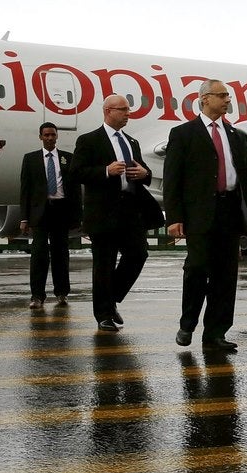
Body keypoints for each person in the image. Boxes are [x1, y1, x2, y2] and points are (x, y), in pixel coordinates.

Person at [164, 80, 247, 352]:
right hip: (199, 214)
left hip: (229, 212)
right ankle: (188, 324)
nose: (227, 100)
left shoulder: (236, 135)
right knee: (196, 269)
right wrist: (173, 217)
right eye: (222, 96)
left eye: (227, 96)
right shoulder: (183, 134)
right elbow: (173, 179)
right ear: (205, 99)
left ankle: (216, 334)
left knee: (225, 276)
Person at [75, 95, 164, 332]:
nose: (128, 114)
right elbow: (77, 173)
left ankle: (111, 297)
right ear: (108, 111)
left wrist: (145, 174)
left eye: (128, 110)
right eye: (123, 110)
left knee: (138, 255)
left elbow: (142, 173)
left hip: (130, 211)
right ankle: (103, 314)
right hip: (103, 212)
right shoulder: (89, 140)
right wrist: (106, 170)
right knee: (103, 264)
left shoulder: (131, 142)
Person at [18, 122, 82, 308]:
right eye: (46, 135)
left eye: (52, 135)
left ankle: (62, 293)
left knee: (61, 254)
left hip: (61, 210)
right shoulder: (30, 159)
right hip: (40, 212)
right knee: (38, 255)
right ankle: (37, 296)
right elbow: (25, 190)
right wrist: (24, 218)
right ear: (40, 137)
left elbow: (75, 190)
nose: (49, 138)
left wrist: (77, 217)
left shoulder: (67, 158)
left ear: (57, 136)